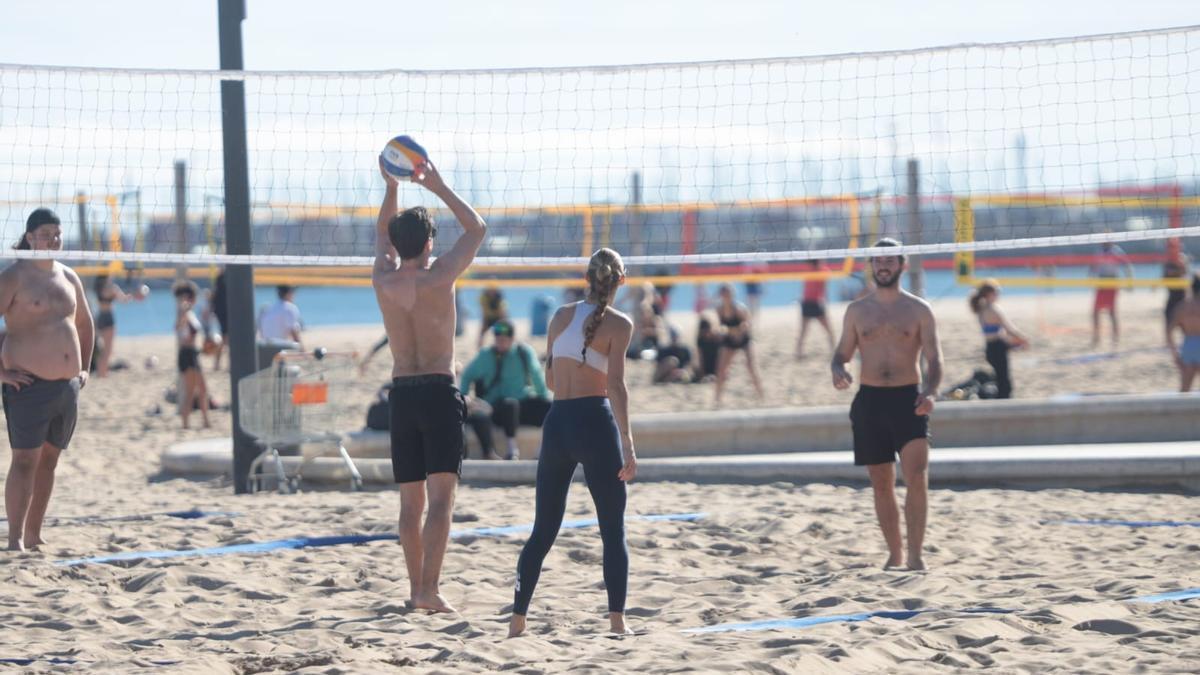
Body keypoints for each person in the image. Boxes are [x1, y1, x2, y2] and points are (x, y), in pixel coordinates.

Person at [372, 154, 485, 613]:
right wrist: (436, 186)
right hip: (439, 391)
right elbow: (476, 229)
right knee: (441, 501)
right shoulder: (441, 277)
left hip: (401, 394)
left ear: (398, 245)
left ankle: (416, 588)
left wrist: (392, 186)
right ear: (430, 244)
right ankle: (428, 590)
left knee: (410, 504)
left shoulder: (383, 279)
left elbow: (382, 236)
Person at [509, 248, 638, 638]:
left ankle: (517, 621)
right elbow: (616, 386)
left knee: (543, 531)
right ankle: (617, 622)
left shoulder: (560, 316)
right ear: (620, 281)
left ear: (586, 278)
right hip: (596, 423)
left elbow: (550, 381)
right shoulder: (620, 324)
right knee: (612, 530)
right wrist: (628, 442)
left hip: (558, 424)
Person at [830, 238, 942, 571]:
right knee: (881, 483)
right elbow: (841, 354)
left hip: (909, 399)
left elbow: (935, 358)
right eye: (878, 260)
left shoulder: (919, 309)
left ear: (902, 265)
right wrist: (839, 369)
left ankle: (916, 555)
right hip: (870, 400)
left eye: (889, 260)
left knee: (916, 476)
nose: (883, 266)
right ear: (871, 266)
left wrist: (931, 391)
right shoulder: (857, 310)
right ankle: (895, 554)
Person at [0, 208, 93, 551]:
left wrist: (85, 367)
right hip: (28, 385)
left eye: (57, 233)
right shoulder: (14, 276)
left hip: (67, 387)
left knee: (49, 462)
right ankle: (15, 539)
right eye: (45, 233)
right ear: (29, 237)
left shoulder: (69, 276)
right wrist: (2, 372)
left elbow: (85, 324)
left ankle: (34, 535)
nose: (53, 239)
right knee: (25, 461)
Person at [459, 320, 552, 460]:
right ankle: (512, 449)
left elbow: (537, 377)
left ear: (512, 338)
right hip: (496, 409)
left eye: (504, 339)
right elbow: (467, 375)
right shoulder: (485, 355)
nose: (501, 342)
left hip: (522, 405)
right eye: (498, 339)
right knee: (510, 404)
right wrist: (465, 397)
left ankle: (541, 451)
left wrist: (543, 397)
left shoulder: (524, 353)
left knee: (550, 407)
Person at [969, 280, 1029, 399]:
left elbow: (995, 332)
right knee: (1004, 381)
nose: (998, 294)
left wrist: (1012, 342)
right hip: (997, 347)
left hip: (990, 347)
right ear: (989, 294)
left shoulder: (981, 309)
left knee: (999, 377)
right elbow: (1009, 329)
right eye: (997, 292)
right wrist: (1023, 339)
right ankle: (1003, 402)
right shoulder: (993, 309)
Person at [713, 283, 765, 405]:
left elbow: (747, 325)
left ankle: (761, 396)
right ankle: (717, 400)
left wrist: (734, 331)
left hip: (743, 339)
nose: (726, 296)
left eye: (728, 293)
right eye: (724, 294)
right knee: (721, 370)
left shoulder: (739, 308)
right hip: (729, 339)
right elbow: (718, 326)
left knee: (751, 368)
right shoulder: (719, 309)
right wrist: (726, 332)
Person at [92, 273, 146, 377]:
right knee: (107, 350)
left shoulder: (99, 288)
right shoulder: (112, 288)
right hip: (108, 318)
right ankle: (102, 373)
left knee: (102, 349)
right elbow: (124, 299)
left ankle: (101, 372)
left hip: (100, 317)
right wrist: (136, 293)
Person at [173, 280, 210, 429]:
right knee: (190, 390)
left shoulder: (190, 313)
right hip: (187, 354)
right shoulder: (183, 313)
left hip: (193, 353)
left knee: (202, 389)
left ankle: (205, 421)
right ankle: (186, 423)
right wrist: (183, 310)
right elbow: (178, 328)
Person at [1090, 241, 1133, 347]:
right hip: (1101, 282)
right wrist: (1090, 276)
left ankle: (1115, 338)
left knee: (1111, 312)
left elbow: (1127, 265)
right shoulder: (1099, 251)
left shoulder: (1116, 250)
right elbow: (1093, 266)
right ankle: (1096, 337)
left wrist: (1129, 281)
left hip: (1112, 282)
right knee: (1096, 312)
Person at [1167, 273, 1200, 392]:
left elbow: (1169, 332)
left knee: (1185, 389)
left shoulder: (1182, 307)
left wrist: (1174, 354)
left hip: (1188, 345)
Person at [795, 259, 834, 359]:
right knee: (826, 330)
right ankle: (799, 352)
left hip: (813, 302)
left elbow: (823, 286)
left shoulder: (818, 270)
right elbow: (823, 287)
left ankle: (799, 352)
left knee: (805, 330)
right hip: (810, 302)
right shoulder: (818, 270)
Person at [202, 269, 229, 370]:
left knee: (224, 340)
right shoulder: (227, 288)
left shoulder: (217, 291)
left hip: (220, 315)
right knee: (226, 340)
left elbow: (211, 304)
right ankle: (223, 364)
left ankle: (217, 364)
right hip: (226, 315)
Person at [1163, 248, 1190, 336]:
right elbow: (1165, 276)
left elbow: (1185, 273)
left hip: (1182, 295)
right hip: (1172, 295)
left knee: (1185, 321)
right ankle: (1169, 339)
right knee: (1168, 319)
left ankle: (1186, 338)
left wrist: (1176, 269)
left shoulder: (1182, 258)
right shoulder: (1168, 261)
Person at [693, 315, 722, 382]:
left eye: (707, 331)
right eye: (703, 332)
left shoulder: (716, 338)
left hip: (716, 364)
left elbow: (721, 355)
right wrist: (702, 373)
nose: (706, 334)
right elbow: (700, 357)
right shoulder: (700, 340)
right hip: (706, 365)